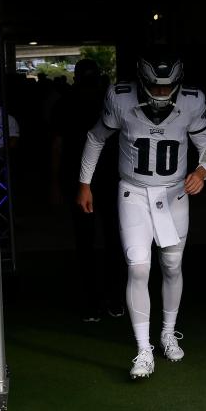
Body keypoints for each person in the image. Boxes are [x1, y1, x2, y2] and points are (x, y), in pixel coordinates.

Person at [76, 46, 206, 379]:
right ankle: (143, 349)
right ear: (140, 81)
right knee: (138, 267)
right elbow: (96, 138)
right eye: (154, 86)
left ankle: (168, 332)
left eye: (167, 86)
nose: (161, 93)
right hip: (134, 192)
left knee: (171, 265)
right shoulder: (121, 97)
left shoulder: (192, 101)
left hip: (174, 194)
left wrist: (202, 171)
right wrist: (84, 182)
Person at [52, 59, 125, 322]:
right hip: (89, 180)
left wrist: (56, 182)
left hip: (97, 179)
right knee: (106, 241)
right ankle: (106, 300)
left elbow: (58, 145)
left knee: (98, 242)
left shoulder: (96, 103)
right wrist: (57, 182)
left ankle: (102, 301)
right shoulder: (99, 102)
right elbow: (59, 143)